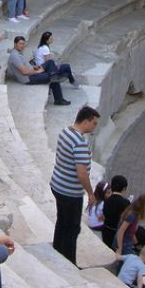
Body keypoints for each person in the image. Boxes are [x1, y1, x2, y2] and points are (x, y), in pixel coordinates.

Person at [50, 106, 100, 265]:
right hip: (70, 192)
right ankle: (69, 262)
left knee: (62, 222)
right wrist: (91, 193)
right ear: (85, 122)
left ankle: (57, 251)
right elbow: (82, 174)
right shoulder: (79, 143)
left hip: (57, 184)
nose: (94, 127)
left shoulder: (65, 132)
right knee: (72, 228)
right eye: (94, 123)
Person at [6, 35, 71, 106]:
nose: (22, 46)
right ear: (15, 44)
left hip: (32, 73)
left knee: (50, 62)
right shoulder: (15, 56)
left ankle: (54, 76)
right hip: (28, 78)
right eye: (20, 43)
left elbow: (25, 66)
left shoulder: (17, 53)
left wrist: (34, 67)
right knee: (52, 77)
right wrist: (37, 71)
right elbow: (24, 72)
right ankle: (59, 100)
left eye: (23, 44)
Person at [100, 175, 130, 249]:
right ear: (124, 189)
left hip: (106, 231)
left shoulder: (106, 201)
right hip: (117, 233)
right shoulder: (126, 202)